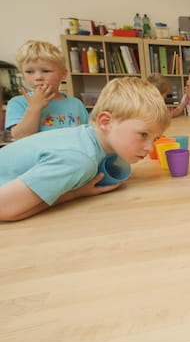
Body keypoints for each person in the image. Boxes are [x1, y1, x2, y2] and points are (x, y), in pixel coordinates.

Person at [0, 77, 171, 222]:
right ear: (105, 122)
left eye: (155, 139)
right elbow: (4, 208)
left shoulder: (86, 138)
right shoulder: (79, 159)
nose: (150, 147)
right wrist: (74, 194)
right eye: (142, 135)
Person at [5, 40, 89, 140]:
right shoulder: (18, 103)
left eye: (45, 71)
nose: (38, 77)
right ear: (22, 74)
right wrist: (34, 107)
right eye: (29, 72)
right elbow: (21, 137)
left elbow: (87, 135)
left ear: (63, 74)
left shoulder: (76, 104)